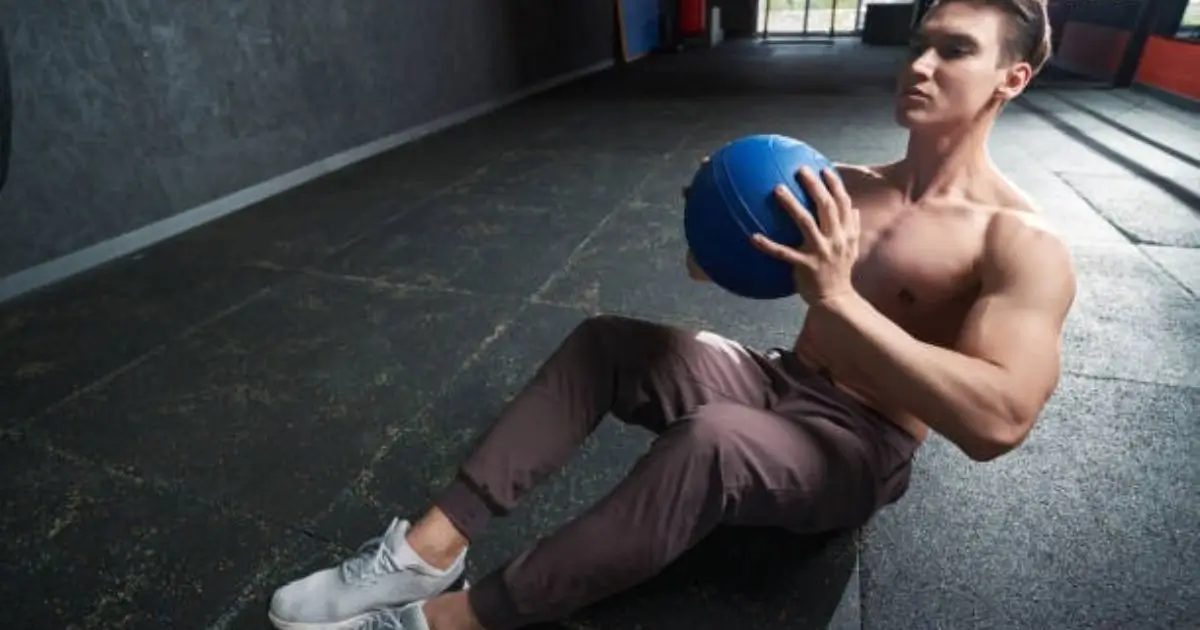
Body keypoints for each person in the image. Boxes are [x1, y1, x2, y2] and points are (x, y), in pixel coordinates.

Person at [267, 0, 1077, 628]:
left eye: (956, 49)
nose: (922, 64)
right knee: (607, 345)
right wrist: (712, 221)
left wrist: (835, 299)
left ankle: (458, 619)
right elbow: (708, 271)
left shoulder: (1020, 243)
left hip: (859, 444)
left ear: (1013, 77)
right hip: (778, 380)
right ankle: (428, 550)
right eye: (919, 42)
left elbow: (998, 422)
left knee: (713, 443)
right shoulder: (846, 183)